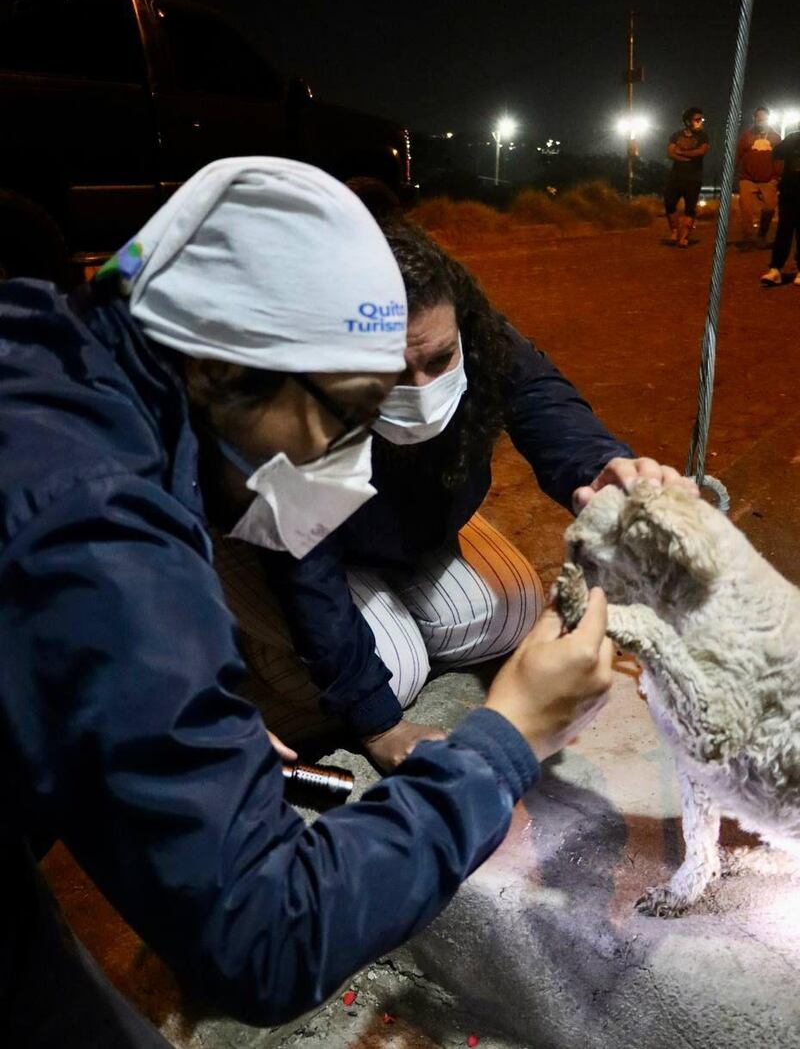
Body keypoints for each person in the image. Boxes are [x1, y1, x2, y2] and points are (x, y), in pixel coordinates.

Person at [1, 156, 616, 1047]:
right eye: (348, 409)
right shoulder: (97, 530)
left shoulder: (68, 357)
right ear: (230, 360)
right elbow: (265, 936)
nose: (347, 453)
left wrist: (191, 717)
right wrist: (507, 737)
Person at [215, 220, 698, 771]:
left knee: (510, 611)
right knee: (389, 676)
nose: (420, 390)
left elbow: (540, 398)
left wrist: (598, 467)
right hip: (281, 540)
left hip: (388, 528)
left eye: (439, 360)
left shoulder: (477, 336)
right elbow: (306, 575)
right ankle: (238, 657)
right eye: (388, 371)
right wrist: (380, 724)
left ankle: (381, 617)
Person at [664, 107, 710, 247]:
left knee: (690, 208)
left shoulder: (703, 136)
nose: (700, 122)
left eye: (701, 119)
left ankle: (684, 237)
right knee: (669, 203)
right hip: (676, 176)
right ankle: (674, 230)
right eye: (697, 119)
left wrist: (681, 152)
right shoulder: (676, 135)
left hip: (694, 177)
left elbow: (701, 151)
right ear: (688, 121)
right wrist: (688, 154)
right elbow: (671, 153)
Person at [735, 106, 781, 248]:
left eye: (764, 118)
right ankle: (748, 238)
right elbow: (737, 156)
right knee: (746, 209)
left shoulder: (775, 137)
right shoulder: (746, 136)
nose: (761, 121)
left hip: (768, 180)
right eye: (759, 118)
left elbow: (780, 159)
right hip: (747, 179)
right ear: (754, 119)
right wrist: (734, 174)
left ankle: (762, 235)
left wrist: (776, 178)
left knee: (769, 207)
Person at [761, 125, 800, 287]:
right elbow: (777, 153)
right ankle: (775, 268)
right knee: (783, 230)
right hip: (789, 191)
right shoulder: (793, 138)